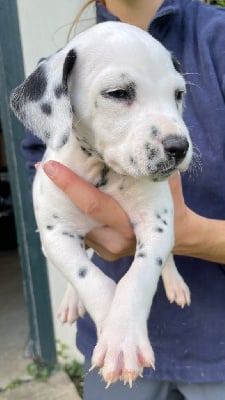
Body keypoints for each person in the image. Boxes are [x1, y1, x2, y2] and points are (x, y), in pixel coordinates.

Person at [22, 0, 225, 399]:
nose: (177, 137)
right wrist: (91, 284)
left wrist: (190, 235)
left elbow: (163, 226)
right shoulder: (73, 58)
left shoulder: (214, 38)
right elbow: (53, 214)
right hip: (109, 343)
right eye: (119, 93)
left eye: (177, 96)